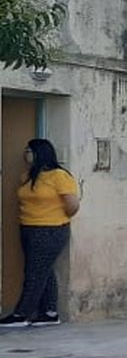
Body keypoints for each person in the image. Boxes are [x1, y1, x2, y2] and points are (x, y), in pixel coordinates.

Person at [1, 139, 80, 328]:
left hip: (51, 229)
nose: (26, 154)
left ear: (40, 152)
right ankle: (49, 312)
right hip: (28, 227)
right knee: (44, 270)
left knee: (34, 272)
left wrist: (57, 218)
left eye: (29, 150)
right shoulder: (28, 176)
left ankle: (22, 314)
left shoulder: (59, 176)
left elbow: (72, 204)